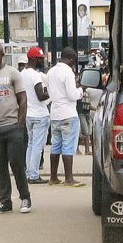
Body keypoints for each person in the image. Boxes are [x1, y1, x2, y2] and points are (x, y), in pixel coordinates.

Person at [0, 41, 32, 214]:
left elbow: (22, 99)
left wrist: (20, 124)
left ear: (1, 55)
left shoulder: (12, 73)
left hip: (13, 127)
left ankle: (25, 199)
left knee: (17, 165)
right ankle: (5, 202)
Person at [47, 46, 84, 186]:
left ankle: (53, 177)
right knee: (68, 146)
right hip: (68, 114)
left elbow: (50, 93)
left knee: (55, 145)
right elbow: (72, 95)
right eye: (73, 61)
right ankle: (69, 179)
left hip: (55, 113)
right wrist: (81, 90)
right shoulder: (67, 72)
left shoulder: (51, 72)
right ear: (71, 58)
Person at [19, 46, 50, 184]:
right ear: (33, 59)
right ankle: (34, 175)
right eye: (40, 59)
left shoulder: (22, 74)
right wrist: (53, 92)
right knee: (38, 146)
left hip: (28, 115)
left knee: (31, 145)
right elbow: (41, 96)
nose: (42, 61)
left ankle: (29, 173)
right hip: (40, 115)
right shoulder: (35, 75)